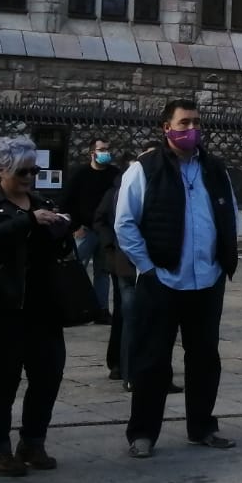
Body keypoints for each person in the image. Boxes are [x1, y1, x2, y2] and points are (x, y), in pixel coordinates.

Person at [115, 100, 240, 458]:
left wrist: (222, 263)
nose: (192, 129)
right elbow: (125, 223)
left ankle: (202, 426)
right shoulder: (145, 169)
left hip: (207, 279)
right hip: (163, 280)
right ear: (166, 127)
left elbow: (228, 213)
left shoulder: (215, 169)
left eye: (197, 122)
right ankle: (142, 433)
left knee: (204, 358)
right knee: (152, 360)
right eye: (184, 122)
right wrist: (148, 268)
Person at [0, 136, 71, 476]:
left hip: (42, 304)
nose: (29, 178)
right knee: (2, 380)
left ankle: (33, 442)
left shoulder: (38, 199)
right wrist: (28, 221)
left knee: (48, 375)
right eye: (22, 172)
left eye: (33, 170)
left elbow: (55, 245)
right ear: (0, 171)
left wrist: (61, 226)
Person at [60, 137, 119, 318]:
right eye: (102, 149)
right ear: (92, 153)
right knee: (75, 270)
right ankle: (71, 309)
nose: (106, 153)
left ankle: (101, 310)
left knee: (103, 272)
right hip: (84, 230)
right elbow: (67, 202)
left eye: (107, 149)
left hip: (106, 231)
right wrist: (75, 227)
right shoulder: (80, 174)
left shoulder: (115, 174)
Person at [93, 164, 138, 388]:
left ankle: (123, 365)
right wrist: (109, 244)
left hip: (135, 264)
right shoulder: (117, 191)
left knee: (128, 316)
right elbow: (102, 219)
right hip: (125, 264)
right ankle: (126, 369)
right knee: (128, 316)